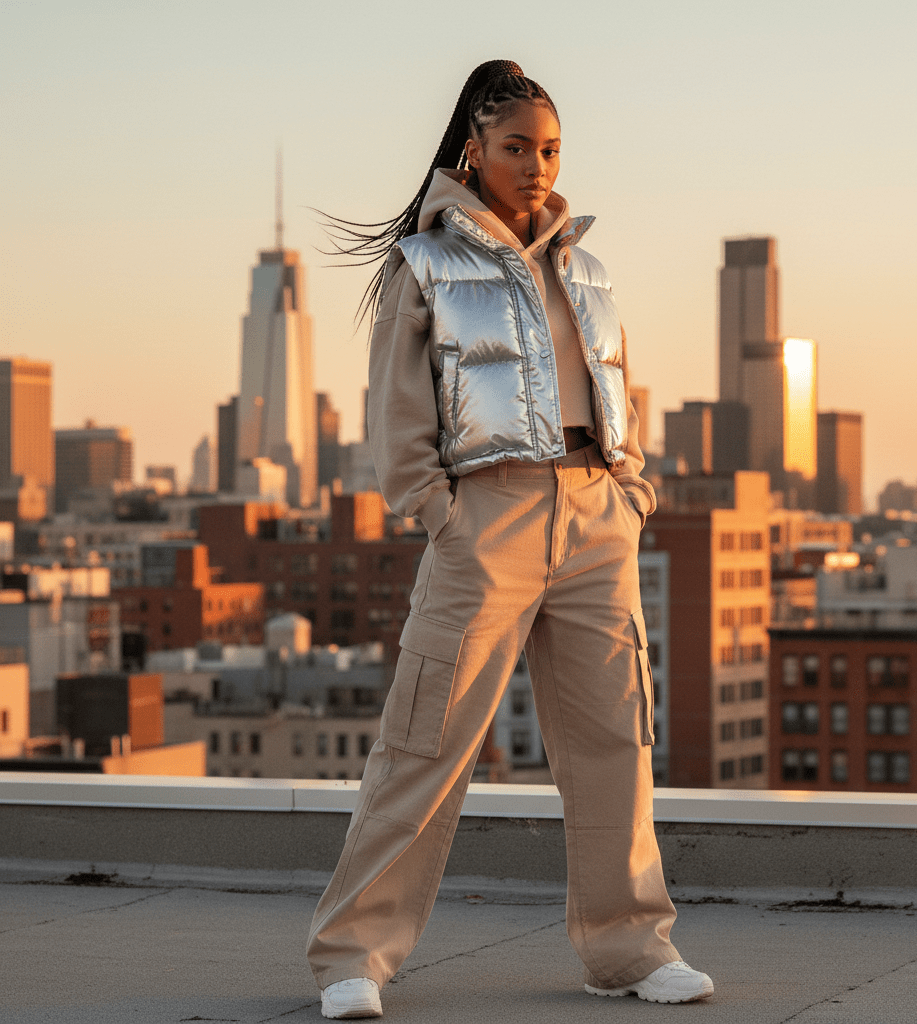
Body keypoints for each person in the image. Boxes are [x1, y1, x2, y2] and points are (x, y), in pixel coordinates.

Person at [307, 60, 714, 1020]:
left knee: (617, 738)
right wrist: (438, 513)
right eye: (517, 147)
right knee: (426, 739)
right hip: (484, 519)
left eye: (551, 149)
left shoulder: (589, 264)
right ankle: (351, 958)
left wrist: (629, 491)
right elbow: (398, 421)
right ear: (474, 151)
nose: (537, 165)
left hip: (593, 517)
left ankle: (629, 948)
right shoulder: (425, 264)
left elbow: (618, 386)